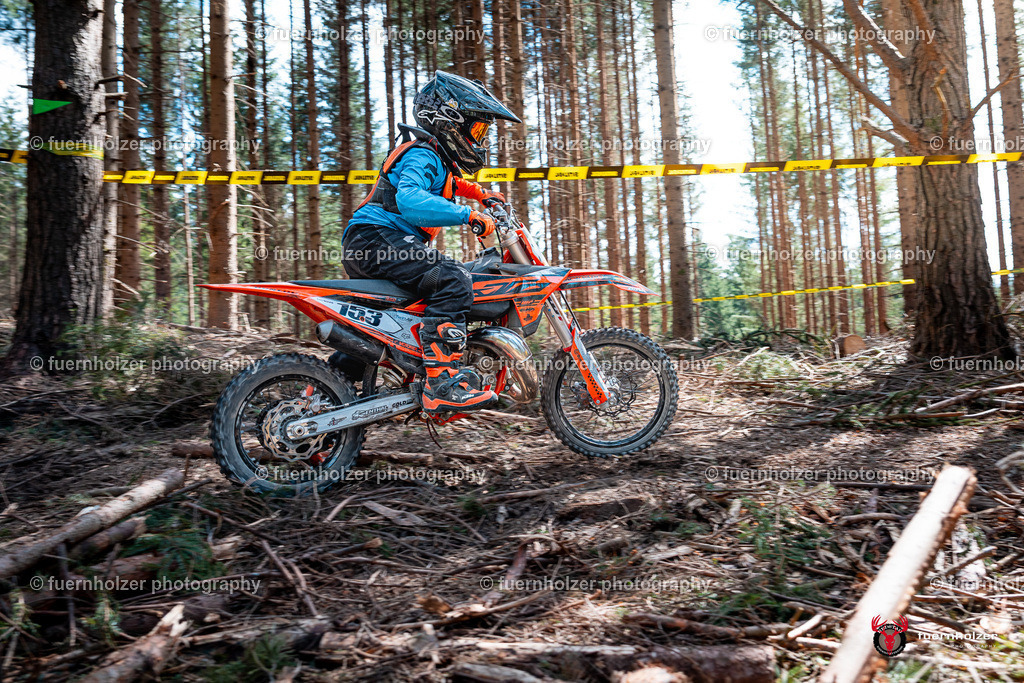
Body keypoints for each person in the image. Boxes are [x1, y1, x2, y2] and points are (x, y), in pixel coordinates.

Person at [341, 70, 522, 415]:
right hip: (377, 239)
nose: (480, 139)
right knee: (454, 278)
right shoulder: (422, 154)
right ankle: (442, 383)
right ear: (450, 121)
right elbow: (410, 198)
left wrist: (482, 195)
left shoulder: (435, 159)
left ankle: (323, 388)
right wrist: (468, 215)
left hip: (370, 242)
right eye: (477, 130)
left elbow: (450, 183)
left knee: (375, 329)